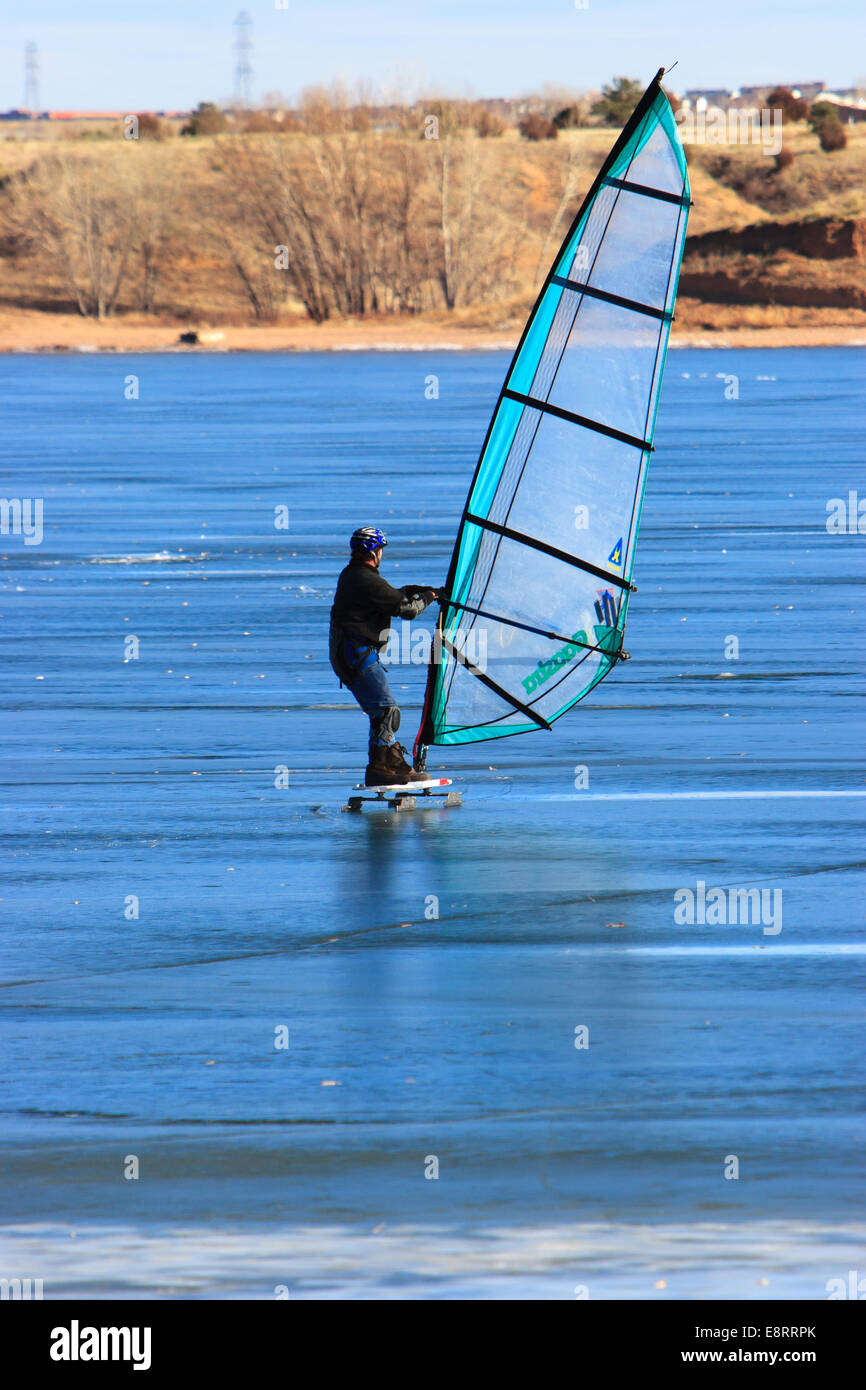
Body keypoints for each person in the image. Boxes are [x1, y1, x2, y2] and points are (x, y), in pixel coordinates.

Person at [330, 527, 440, 786]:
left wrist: (412, 590)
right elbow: (408, 610)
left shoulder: (353, 575)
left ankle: (388, 762)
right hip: (357, 654)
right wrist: (429, 596)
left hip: (351, 654)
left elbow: (388, 597)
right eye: (380, 550)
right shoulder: (364, 579)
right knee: (386, 711)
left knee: (382, 711)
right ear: (374, 552)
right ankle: (380, 767)